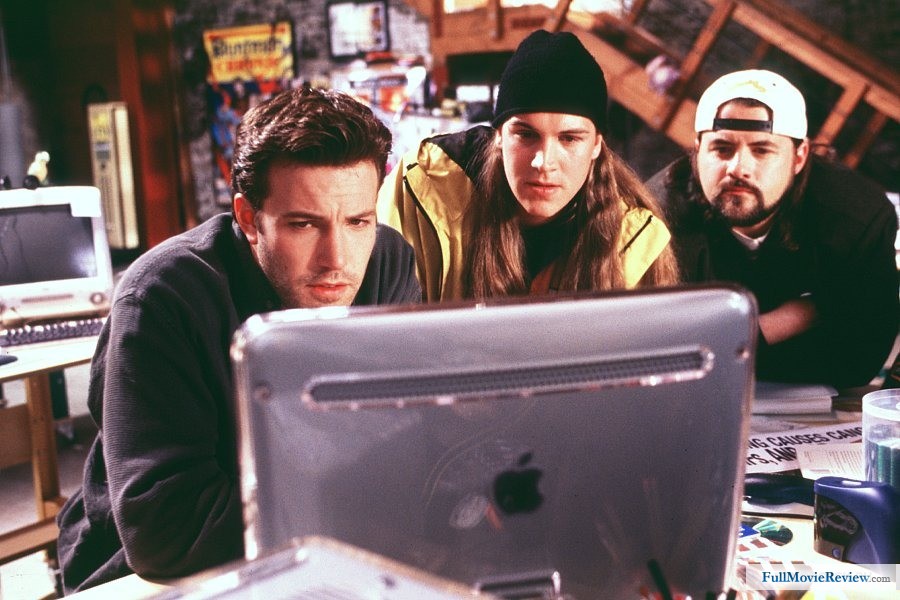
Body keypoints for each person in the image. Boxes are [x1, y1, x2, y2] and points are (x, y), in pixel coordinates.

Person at [56, 87, 422, 593]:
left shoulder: (387, 262)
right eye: (303, 225)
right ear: (250, 219)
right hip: (155, 578)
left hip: (326, 549)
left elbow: (412, 442)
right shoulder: (160, 298)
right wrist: (367, 487)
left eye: (358, 221)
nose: (337, 259)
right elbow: (167, 535)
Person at [378, 30, 678, 301]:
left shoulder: (634, 239)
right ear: (499, 135)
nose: (543, 162)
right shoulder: (422, 189)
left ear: (597, 145)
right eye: (525, 135)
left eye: (569, 139)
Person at [646, 69, 898, 388]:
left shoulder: (857, 217)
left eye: (762, 150)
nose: (739, 168)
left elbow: (858, 360)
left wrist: (728, 338)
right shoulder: (655, 218)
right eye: (721, 148)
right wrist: (809, 310)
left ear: (799, 157)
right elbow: (659, 352)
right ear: (697, 151)